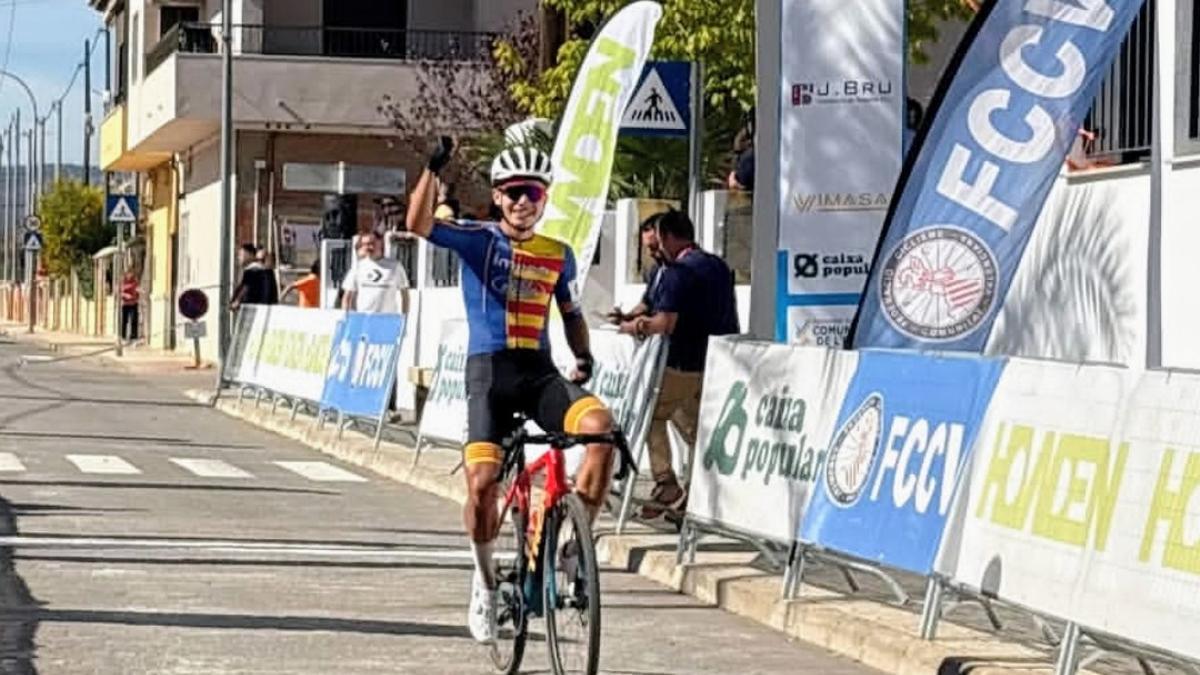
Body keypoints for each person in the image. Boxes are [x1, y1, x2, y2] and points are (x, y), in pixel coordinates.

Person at [406, 138, 615, 645]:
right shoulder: (477, 239)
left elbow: (571, 314)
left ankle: (575, 549)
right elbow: (419, 224)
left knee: (602, 431)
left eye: (534, 193)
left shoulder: (558, 254)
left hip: (539, 373)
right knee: (482, 485)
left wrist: (583, 356)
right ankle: (484, 585)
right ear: (499, 196)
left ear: (545, 199)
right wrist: (433, 169)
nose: (524, 201)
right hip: (489, 376)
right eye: (515, 192)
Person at [619, 209, 740, 518]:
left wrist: (635, 327)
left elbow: (664, 322)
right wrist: (634, 316)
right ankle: (695, 495)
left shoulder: (679, 271)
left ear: (669, 237)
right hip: (717, 361)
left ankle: (666, 482)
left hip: (682, 361)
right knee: (695, 427)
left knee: (650, 415)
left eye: (657, 243)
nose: (655, 250)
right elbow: (651, 303)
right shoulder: (717, 265)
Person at [607, 212, 667, 325]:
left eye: (654, 247)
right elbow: (646, 303)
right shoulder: (656, 270)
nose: (650, 253)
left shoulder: (681, 273)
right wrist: (626, 316)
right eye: (647, 248)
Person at [340, 230, 410, 314]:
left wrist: (404, 317)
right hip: (364, 318)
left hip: (388, 318)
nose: (369, 247)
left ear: (380, 243)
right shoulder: (358, 267)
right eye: (365, 244)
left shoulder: (395, 266)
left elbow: (405, 294)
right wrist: (345, 316)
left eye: (372, 243)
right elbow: (347, 296)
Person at [231, 244, 277, 310]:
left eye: (241, 255)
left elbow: (245, 287)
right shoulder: (262, 271)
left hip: (257, 308)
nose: (239, 258)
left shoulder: (253, 270)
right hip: (263, 308)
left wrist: (237, 301)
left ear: (250, 254)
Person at [120, 269, 140, 343]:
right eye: (128, 273)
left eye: (131, 273)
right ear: (126, 274)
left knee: (134, 320)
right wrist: (125, 295)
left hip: (134, 303)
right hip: (125, 304)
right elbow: (119, 292)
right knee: (125, 321)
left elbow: (137, 289)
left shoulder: (135, 282)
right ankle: (123, 336)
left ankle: (133, 337)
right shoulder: (123, 282)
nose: (129, 275)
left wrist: (139, 292)